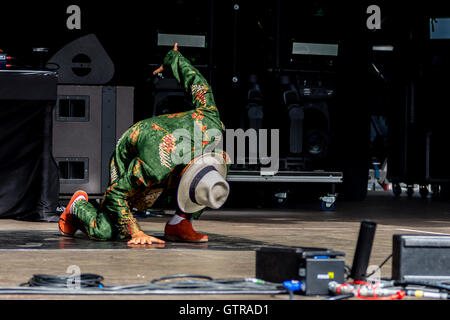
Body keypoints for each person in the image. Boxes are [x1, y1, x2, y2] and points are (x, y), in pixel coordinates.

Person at [58, 43, 230, 245]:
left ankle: (180, 223)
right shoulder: (156, 165)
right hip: (132, 151)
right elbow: (116, 195)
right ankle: (78, 207)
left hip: (168, 152)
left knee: (214, 175)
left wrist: (173, 59)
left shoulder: (212, 126)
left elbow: (198, 84)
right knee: (107, 231)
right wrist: (136, 232)